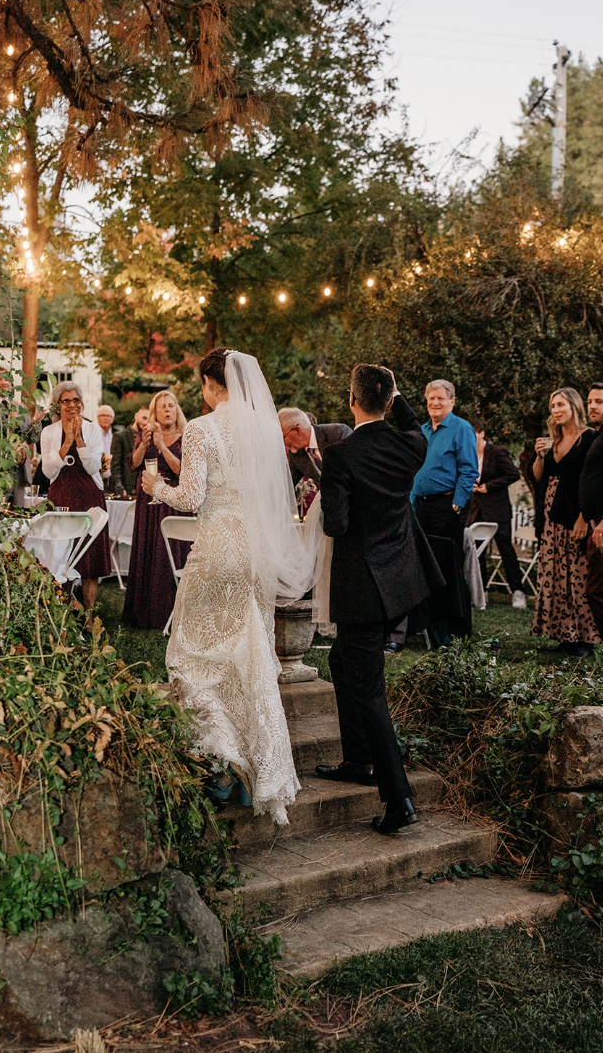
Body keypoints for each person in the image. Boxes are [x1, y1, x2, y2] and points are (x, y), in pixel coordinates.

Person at [142, 350, 321, 824]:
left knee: (190, 651)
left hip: (219, 546)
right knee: (247, 654)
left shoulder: (201, 427)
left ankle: (222, 759)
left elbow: (191, 497)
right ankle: (256, 764)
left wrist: (154, 486)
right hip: (255, 553)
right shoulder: (265, 429)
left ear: (209, 383)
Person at [318, 365, 444, 834]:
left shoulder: (341, 455)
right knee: (340, 662)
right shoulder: (410, 444)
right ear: (390, 399)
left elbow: (336, 524)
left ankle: (399, 799)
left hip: (362, 589)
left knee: (369, 691)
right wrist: (394, 393)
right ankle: (357, 760)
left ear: (352, 398)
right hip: (396, 581)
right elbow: (410, 422)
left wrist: (331, 493)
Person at [409, 379, 478, 644]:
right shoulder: (423, 430)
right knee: (427, 572)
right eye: (430, 399)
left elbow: (469, 470)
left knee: (449, 572)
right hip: (422, 508)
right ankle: (432, 630)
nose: (435, 403)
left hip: (447, 508)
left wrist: (457, 505)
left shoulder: (461, 428)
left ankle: (457, 633)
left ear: (452, 401)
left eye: (440, 398)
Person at [531, 387, 599, 658]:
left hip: (576, 513)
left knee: (579, 575)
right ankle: (563, 634)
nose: (556, 411)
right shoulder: (553, 439)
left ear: (574, 407)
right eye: (552, 407)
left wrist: (585, 516)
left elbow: (591, 479)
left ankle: (586, 639)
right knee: (555, 575)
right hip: (551, 515)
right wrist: (539, 455)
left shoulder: (589, 437)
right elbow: (539, 477)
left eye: (561, 405)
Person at [40, 381, 111, 620]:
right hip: (61, 496)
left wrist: (79, 439)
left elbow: (93, 466)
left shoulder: (92, 430)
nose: (72, 405)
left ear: (81, 403)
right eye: (66, 401)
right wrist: (66, 442)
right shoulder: (49, 432)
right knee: (62, 557)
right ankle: (64, 614)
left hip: (89, 494)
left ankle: (89, 617)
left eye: (76, 400)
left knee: (89, 560)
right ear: (57, 405)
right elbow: (48, 471)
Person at [122, 392, 189, 630]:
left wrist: (162, 446)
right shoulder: (144, 435)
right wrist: (145, 444)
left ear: (177, 409)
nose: (168, 410)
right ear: (155, 413)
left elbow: (182, 471)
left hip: (174, 501)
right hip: (148, 503)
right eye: (162, 407)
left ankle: (172, 612)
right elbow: (132, 464)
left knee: (169, 552)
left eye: (171, 406)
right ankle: (144, 612)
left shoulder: (186, 437)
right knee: (148, 551)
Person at [467, 418, 527, 609]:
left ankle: (518, 592)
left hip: (498, 510)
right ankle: (481, 592)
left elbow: (513, 474)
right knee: (477, 554)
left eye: (473, 435)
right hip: (475, 510)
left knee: (506, 551)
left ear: (481, 433)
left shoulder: (496, 452)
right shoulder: (466, 454)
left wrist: (488, 487)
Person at [0, 366, 38, 502]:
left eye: (7, 379)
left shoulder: (21, 408)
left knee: (18, 517)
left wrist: (36, 422)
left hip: (20, 474)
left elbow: (32, 438)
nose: (4, 382)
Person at [580, 384, 603, 637]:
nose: (593, 406)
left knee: (596, 591)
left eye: (599, 401)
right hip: (594, 523)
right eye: (590, 401)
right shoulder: (598, 435)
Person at [277, 407, 352, 485]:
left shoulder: (339, 434)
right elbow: (289, 485)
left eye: (283, 437)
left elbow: (357, 468)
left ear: (297, 430)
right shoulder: (295, 455)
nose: (282, 443)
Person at [112, 406, 150, 495]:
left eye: (149, 420)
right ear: (136, 416)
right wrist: (120, 488)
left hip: (144, 489)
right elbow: (115, 465)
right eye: (144, 418)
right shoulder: (120, 436)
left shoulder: (151, 438)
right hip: (127, 489)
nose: (146, 422)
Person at [95, 404, 117, 492]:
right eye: (102, 415)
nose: (105, 418)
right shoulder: (93, 434)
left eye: (108, 416)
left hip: (113, 478)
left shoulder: (117, 434)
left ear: (112, 419)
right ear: (97, 418)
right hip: (97, 476)